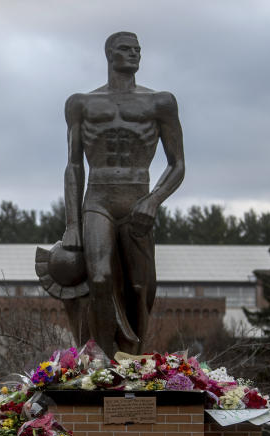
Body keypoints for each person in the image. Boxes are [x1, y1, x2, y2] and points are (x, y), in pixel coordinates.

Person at [61, 31, 185, 356]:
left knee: (141, 288)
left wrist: (153, 200)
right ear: (109, 54)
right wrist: (72, 224)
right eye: (125, 49)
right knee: (99, 277)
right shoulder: (81, 104)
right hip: (98, 199)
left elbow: (178, 164)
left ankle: (134, 361)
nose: (134, 55)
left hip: (138, 200)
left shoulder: (160, 102)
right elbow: (74, 166)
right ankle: (101, 360)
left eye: (138, 50)